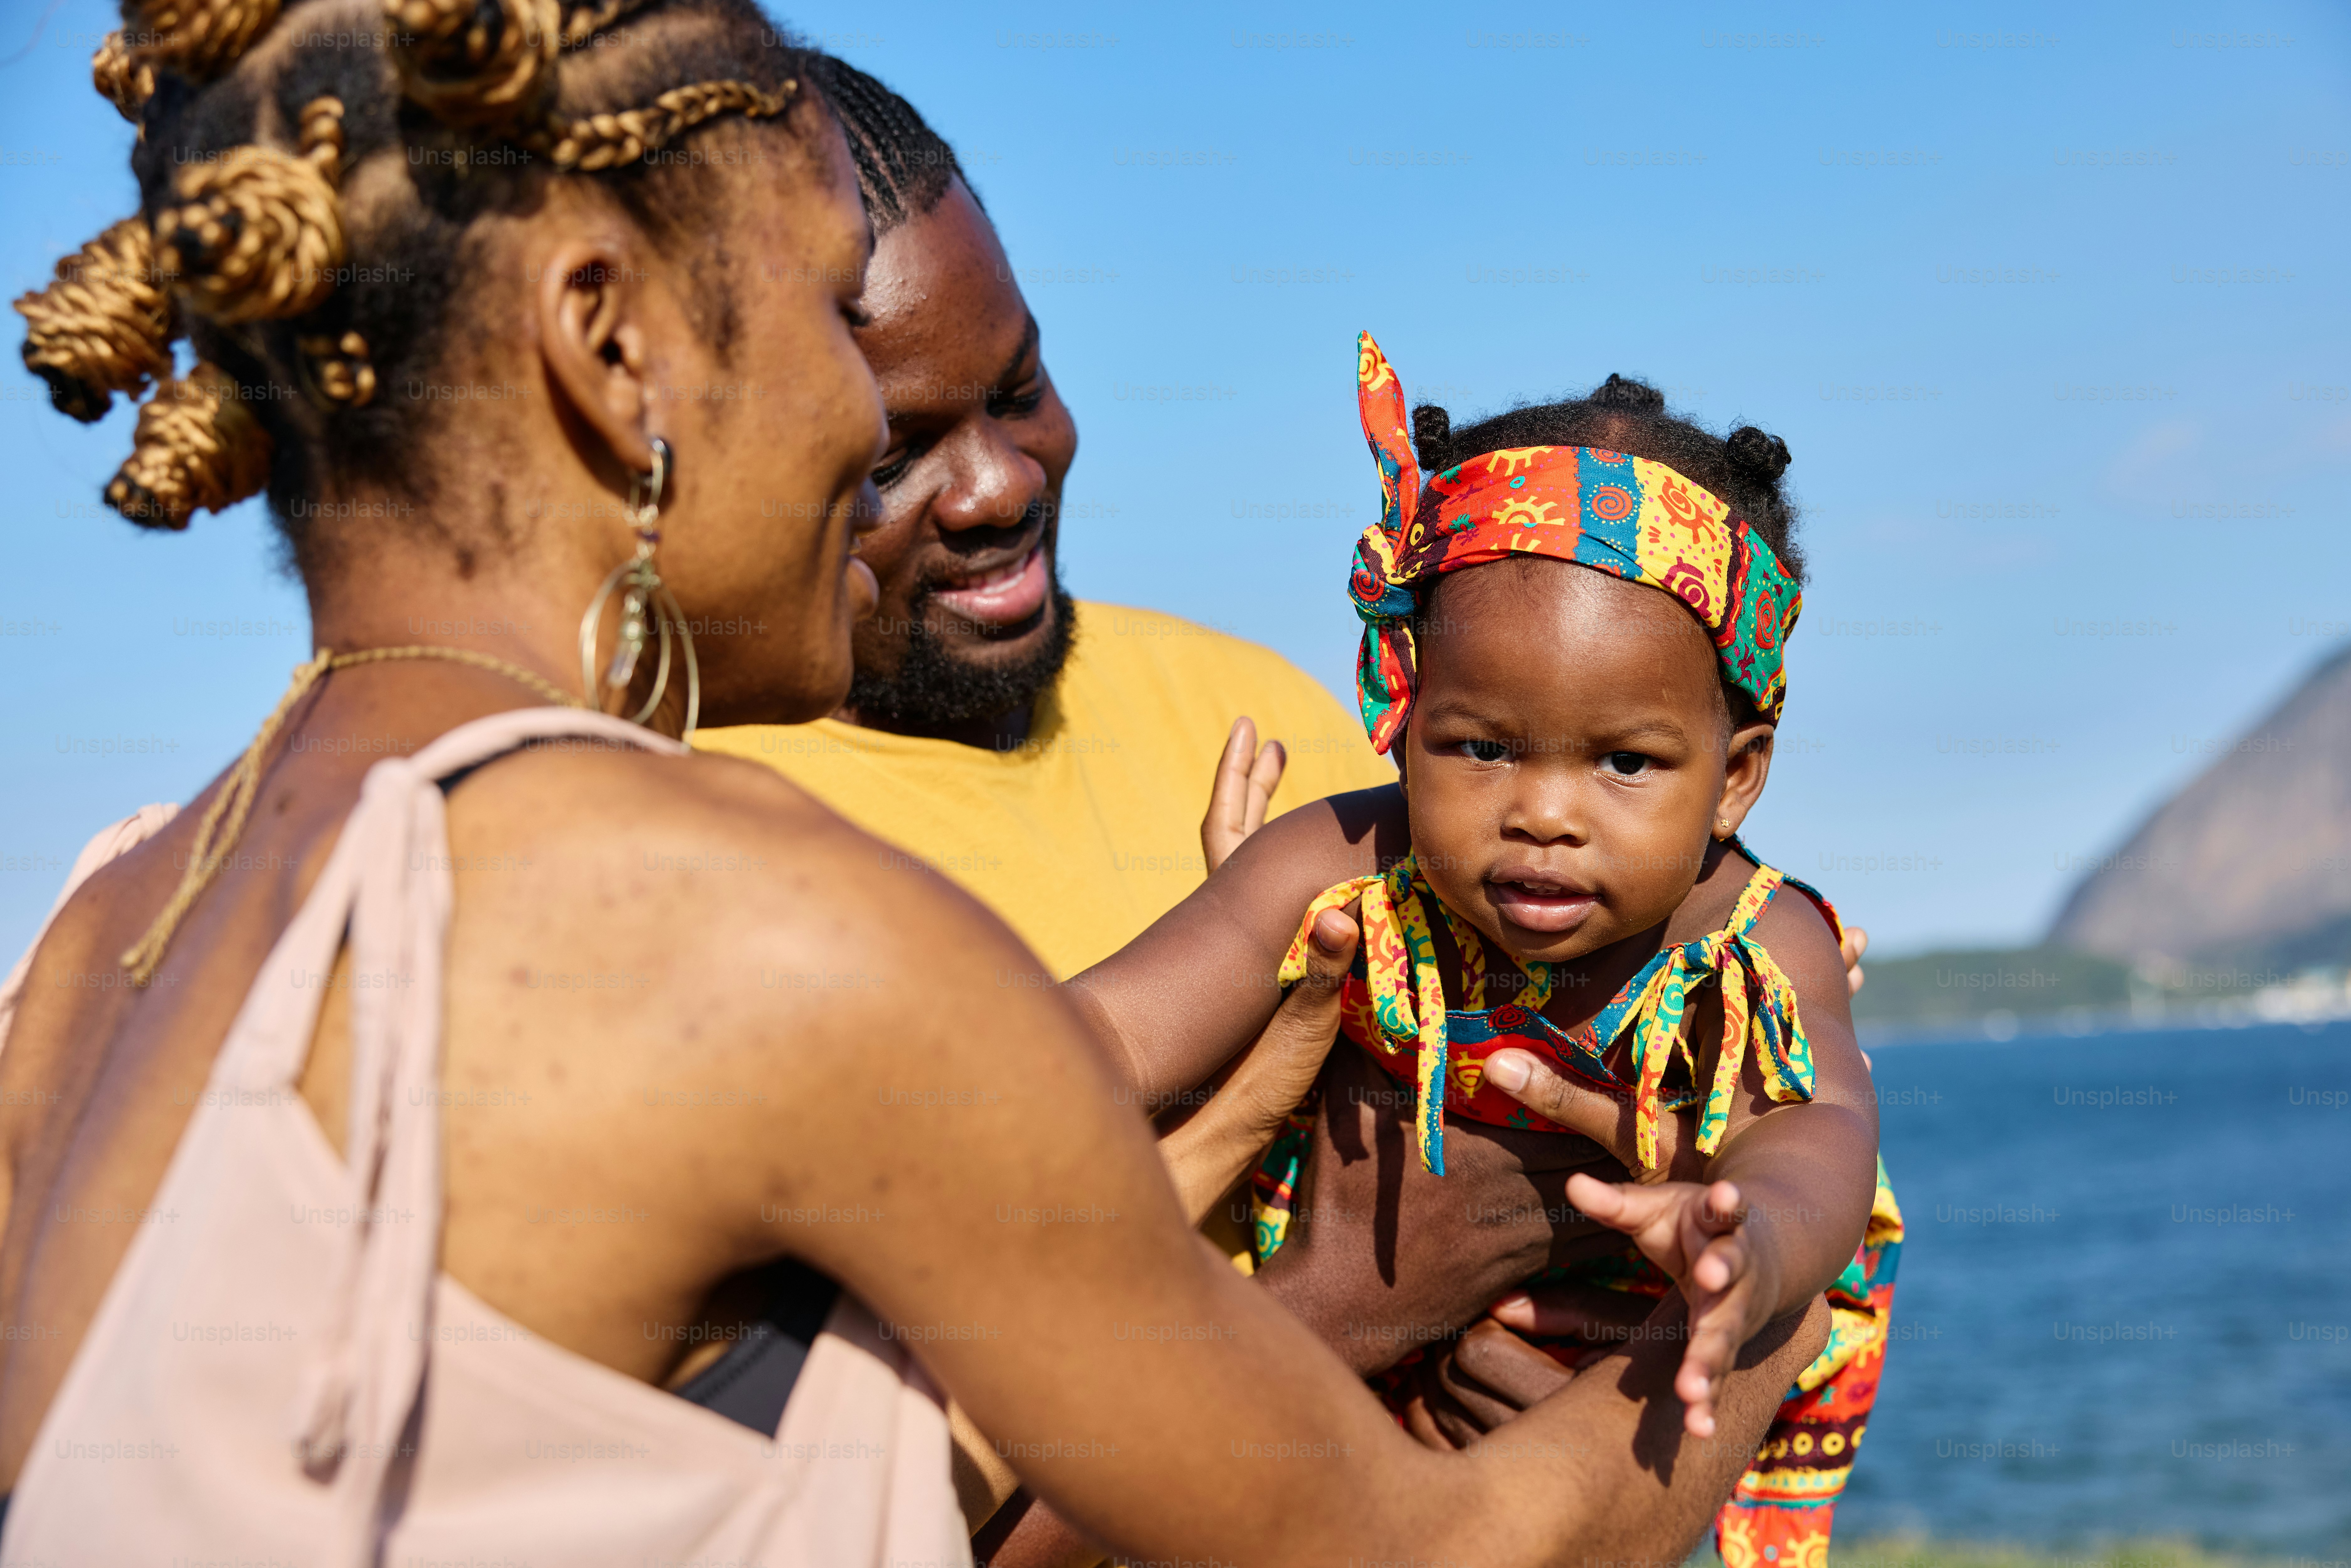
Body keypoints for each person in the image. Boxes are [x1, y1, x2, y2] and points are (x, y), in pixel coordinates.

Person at [0, 4, 1828, 1565]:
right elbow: (1410, 1541)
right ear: (602, 338)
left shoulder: (107, 930)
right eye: (817, 306)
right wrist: (1769, 1291)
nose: (870, 421)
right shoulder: (749, 911)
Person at [1064, 335, 1905, 1568]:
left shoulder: (1757, 936)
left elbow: (1821, 1128)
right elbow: (1118, 1029)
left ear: (1735, 780)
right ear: (1403, 713)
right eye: (1483, 747)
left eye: (1625, 761)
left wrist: (1755, 1243)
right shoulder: (1348, 858)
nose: (1546, 813)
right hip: (1325, 1401)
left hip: (1647, 1415)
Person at [693, 57, 1393, 982]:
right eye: (892, 457)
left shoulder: (1254, 718)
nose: (1002, 488)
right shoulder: (671, 818)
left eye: (1018, 391)